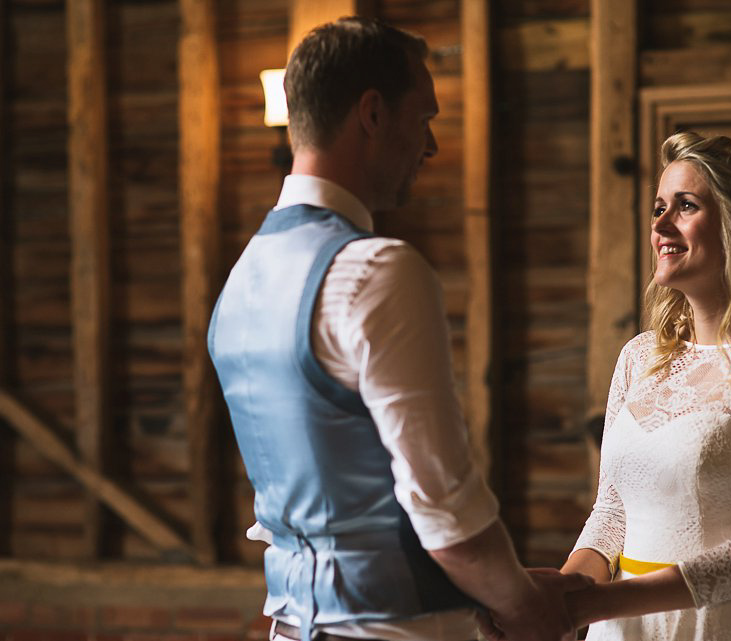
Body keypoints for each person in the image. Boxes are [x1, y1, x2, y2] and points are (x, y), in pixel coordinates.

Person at [207, 17, 590, 641]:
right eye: (424, 118)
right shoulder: (377, 271)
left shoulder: (241, 280)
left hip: (291, 625)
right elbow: (443, 508)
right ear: (373, 114)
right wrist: (523, 604)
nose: (430, 145)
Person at [495, 132, 731, 641]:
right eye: (659, 207)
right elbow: (612, 510)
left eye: (685, 206)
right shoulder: (640, 357)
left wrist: (595, 604)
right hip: (623, 627)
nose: (660, 224)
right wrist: (564, 593)